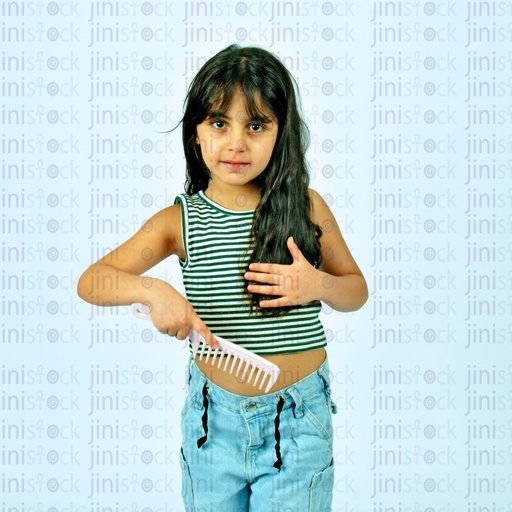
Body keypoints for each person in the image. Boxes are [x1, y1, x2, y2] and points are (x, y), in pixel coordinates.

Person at [78, 44, 368, 511]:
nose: (236, 143)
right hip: (213, 427)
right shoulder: (180, 221)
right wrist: (153, 290)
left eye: (256, 125)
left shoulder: (306, 207)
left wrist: (319, 285)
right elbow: (93, 279)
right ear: (196, 133)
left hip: (298, 423)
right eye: (219, 123)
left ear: (281, 133)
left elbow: (356, 291)